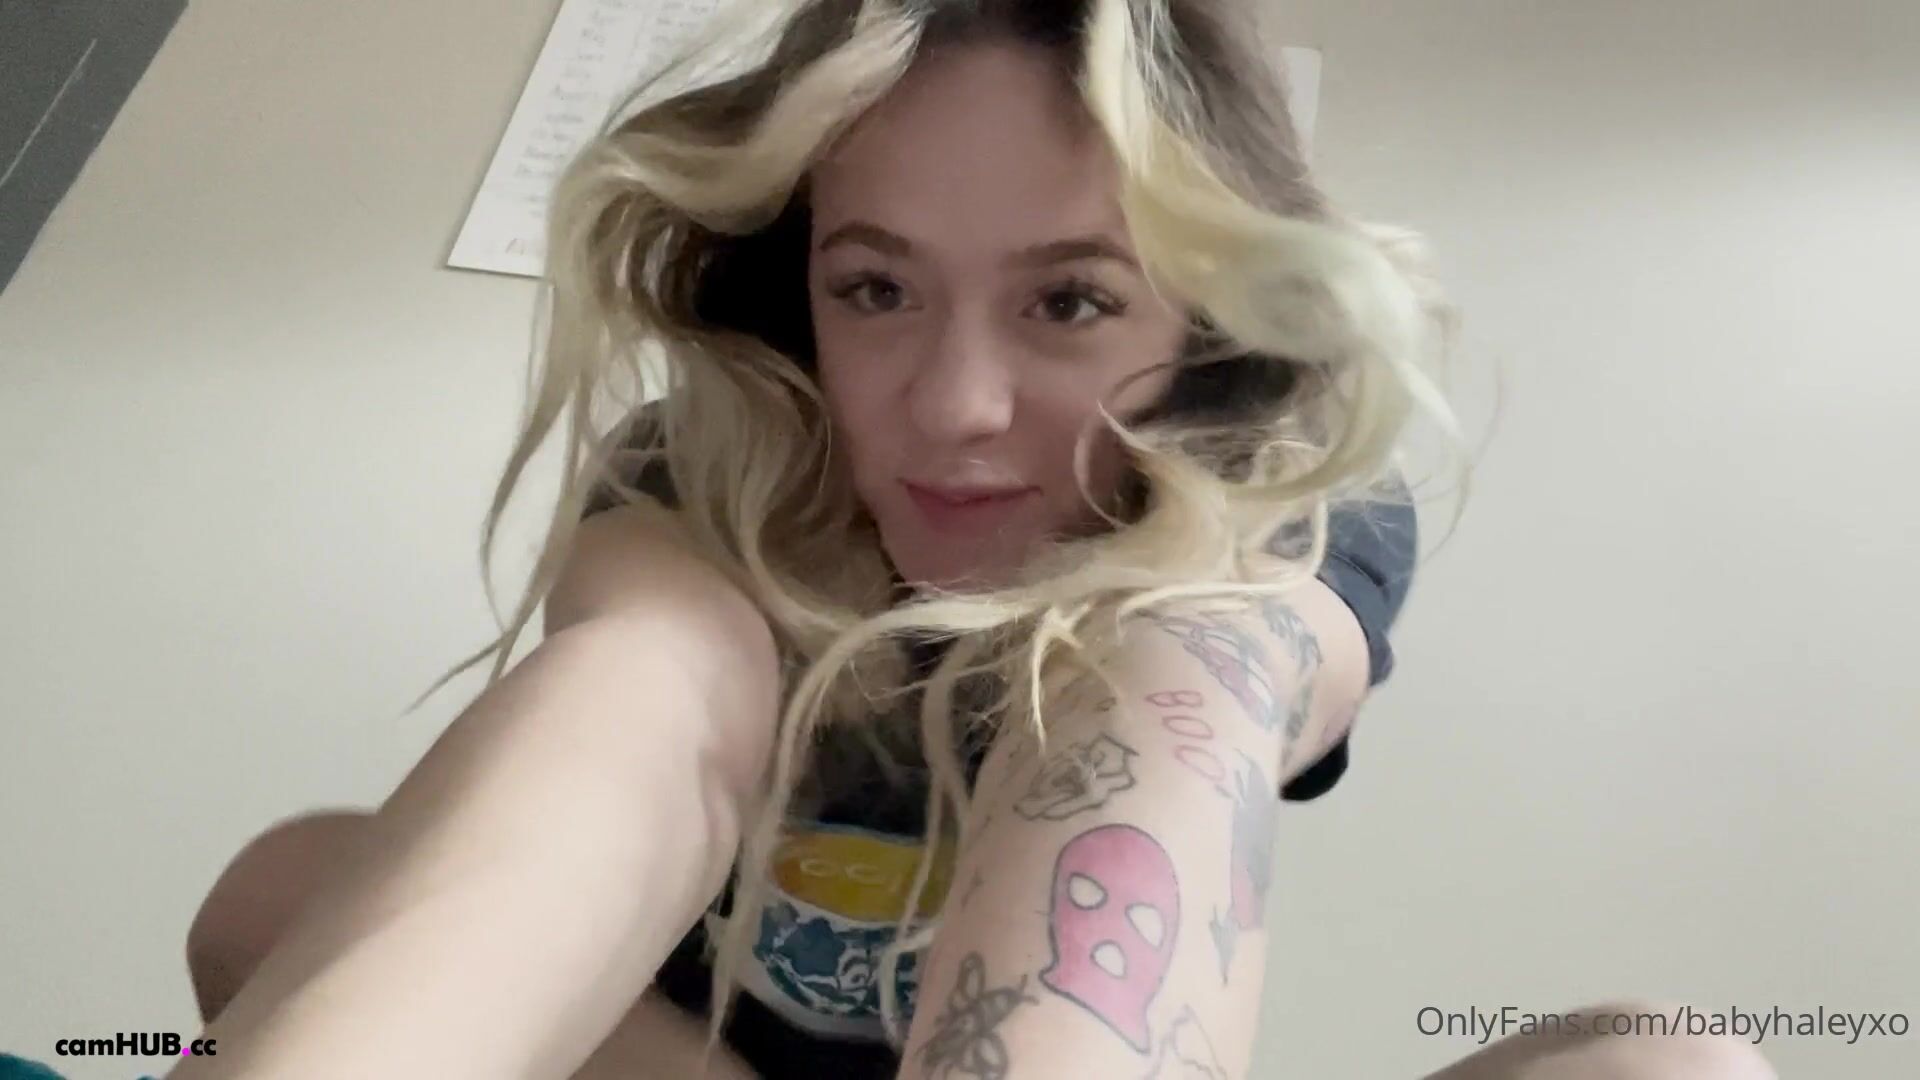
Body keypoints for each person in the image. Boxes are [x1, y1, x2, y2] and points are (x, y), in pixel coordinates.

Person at [178, 1, 1776, 1077]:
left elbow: (1184, 708)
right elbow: (644, 719)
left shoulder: (1280, 499)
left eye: (1069, 301)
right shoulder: (702, 469)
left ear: (1200, 323)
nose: (952, 407)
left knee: (1671, 1066)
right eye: (875, 288)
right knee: (281, 888)